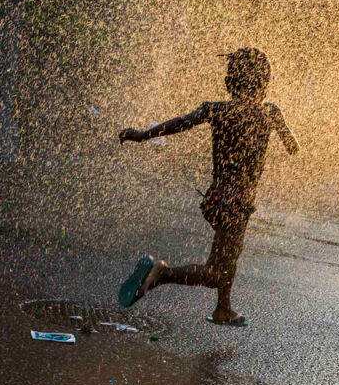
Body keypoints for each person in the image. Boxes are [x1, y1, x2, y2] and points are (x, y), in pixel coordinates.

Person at [117, 47, 299, 326]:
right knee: (217, 272)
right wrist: (282, 130)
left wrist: (143, 135)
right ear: (266, 83)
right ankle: (162, 273)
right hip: (237, 203)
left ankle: (223, 308)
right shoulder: (270, 112)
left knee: (229, 255)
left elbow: (180, 124)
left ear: (228, 83)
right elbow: (292, 146)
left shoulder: (216, 110)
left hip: (216, 199)